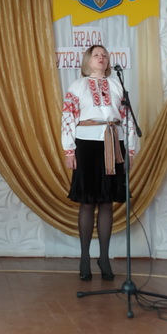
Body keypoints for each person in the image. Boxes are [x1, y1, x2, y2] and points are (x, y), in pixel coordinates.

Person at [61, 45, 136, 282]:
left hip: (114, 143)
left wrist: (130, 149)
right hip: (87, 144)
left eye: (104, 55)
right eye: (96, 55)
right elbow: (68, 117)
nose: (101, 58)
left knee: (106, 202)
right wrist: (69, 150)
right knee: (87, 202)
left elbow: (127, 118)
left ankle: (104, 258)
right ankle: (84, 257)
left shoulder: (117, 85)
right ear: (88, 60)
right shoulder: (77, 86)